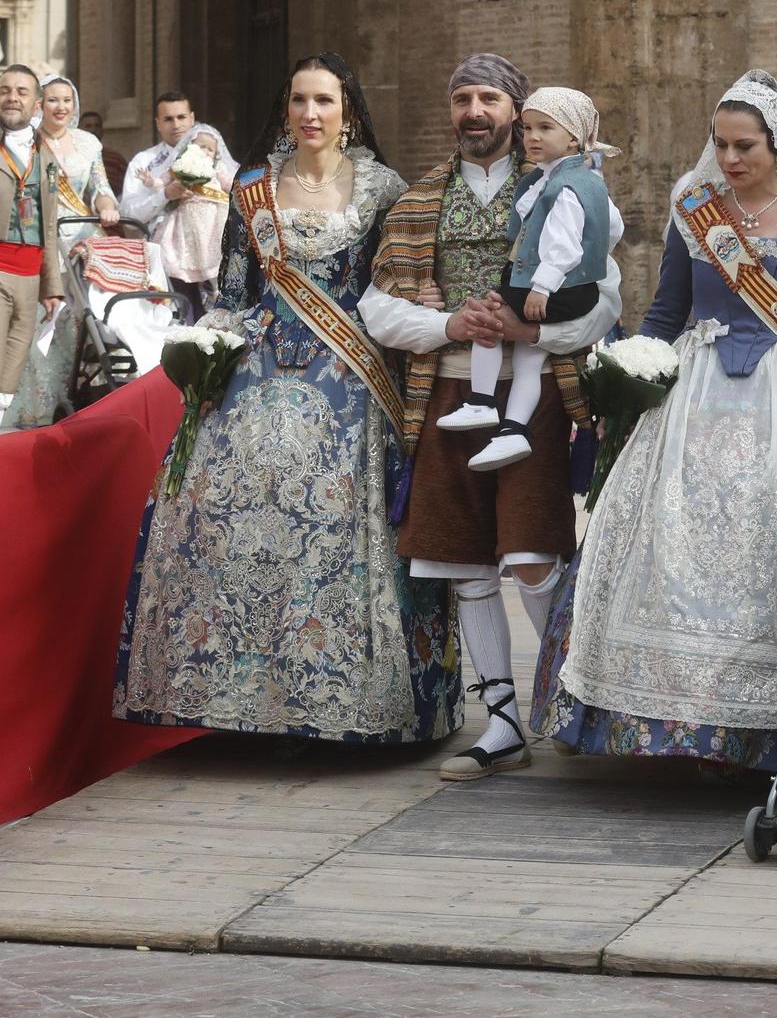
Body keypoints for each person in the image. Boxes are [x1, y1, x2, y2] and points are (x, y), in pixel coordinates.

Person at [529, 69, 777, 770]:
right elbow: (666, 311)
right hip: (695, 395)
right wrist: (629, 376)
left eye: (744, 145)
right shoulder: (694, 209)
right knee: (662, 533)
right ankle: (663, 714)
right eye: (719, 144)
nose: (729, 159)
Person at [113, 53, 461, 744]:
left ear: (349, 111)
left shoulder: (384, 191)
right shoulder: (252, 188)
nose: (310, 113)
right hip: (258, 370)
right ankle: (241, 694)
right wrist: (205, 358)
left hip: (354, 384)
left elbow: (396, 285)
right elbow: (235, 295)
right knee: (218, 512)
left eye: (324, 101)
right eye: (299, 99)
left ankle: (361, 702)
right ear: (285, 109)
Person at [362, 55, 621, 781]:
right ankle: (503, 721)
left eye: (489, 98)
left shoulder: (566, 187)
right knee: (463, 559)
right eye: (462, 98)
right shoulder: (417, 203)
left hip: (530, 394)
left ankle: (572, 699)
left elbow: (605, 297)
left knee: (533, 553)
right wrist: (450, 324)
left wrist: (533, 331)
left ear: (518, 111)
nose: (474, 111)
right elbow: (377, 308)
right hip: (444, 392)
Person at [435, 86, 621, 472]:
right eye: (529, 128)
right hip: (566, 287)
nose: (532, 138)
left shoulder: (565, 185)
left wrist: (542, 287)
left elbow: (565, 247)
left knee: (489, 318)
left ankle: (482, 402)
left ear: (573, 136)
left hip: (552, 288)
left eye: (545, 129)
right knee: (529, 359)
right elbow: (610, 226)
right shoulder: (570, 177)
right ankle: (513, 429)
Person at [4, 75, 121, 428]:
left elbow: (100, 186)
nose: (60, 107)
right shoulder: (28, 142)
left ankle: (75, 393)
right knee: (40, 320)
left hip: (82, 238)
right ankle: (35, 403)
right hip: (39, 236)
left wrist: (105, 204)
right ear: (40, 104)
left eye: (66, 100)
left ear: (75, 105)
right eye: (52, 100)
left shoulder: (88, 143)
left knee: (81, 319)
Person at [0, 66, 62, 435]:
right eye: (5, 90)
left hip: (29, 277)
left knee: (9, 374)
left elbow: (49, 224)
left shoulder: (44, 154)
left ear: (36, 104)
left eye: (21, 91)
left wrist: (52, 285)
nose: (12, 97)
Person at [155, 123, 237, 314]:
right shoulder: (182, 166)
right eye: (202, 146)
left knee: (216, 253)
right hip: (189, 221)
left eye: (211, 149)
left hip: (214, 221)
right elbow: (162, 182)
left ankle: (217, 289)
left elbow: (231, 184)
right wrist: (155, 184)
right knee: (189, 253)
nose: (206, 152)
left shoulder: (218, 168)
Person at [119, 92, 197, 236]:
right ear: (158, 124)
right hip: (161, 245)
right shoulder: (143, 161)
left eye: (181, 117)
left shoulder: (212, 155)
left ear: (192, 118)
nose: (176, 125)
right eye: (168, 119)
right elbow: (128, 215)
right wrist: (165, 195)